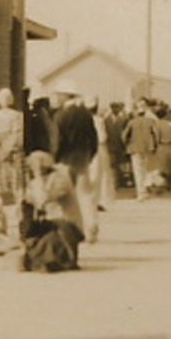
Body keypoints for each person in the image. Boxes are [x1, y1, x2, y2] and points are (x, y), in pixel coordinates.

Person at [50, 82, 101, 242]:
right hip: (83, 158)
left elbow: (58, 140)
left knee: (68, 198)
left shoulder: (60, 115)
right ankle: (92, 227)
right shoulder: (86, 114)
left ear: (65, 95)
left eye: (58, 94)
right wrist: (90, 155)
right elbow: (94, 138)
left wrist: (55, 158)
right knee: (86, 195)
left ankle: (73, 229)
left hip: (65, 160)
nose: (56, 97)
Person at [0, 88, 26, 227]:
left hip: (9, 151)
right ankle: (2, 212)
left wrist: (5, 148)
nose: (5, 100)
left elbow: (17, 134)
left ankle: (13, 214)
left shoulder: (17, 116)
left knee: (14, 182)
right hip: (0, 150)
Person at [122, 101, 161, 201]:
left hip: (135, 149)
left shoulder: (132, 122)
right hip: (148, 148)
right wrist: (155, 146)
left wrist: (127, 144)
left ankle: (141, 193)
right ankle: (146, 191)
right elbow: (156, 135)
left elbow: (124, 136)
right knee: (147, 170)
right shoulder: (150, 121)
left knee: (138, 171)